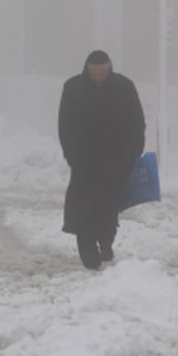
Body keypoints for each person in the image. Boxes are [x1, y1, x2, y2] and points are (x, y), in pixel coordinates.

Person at [58, 50, 145, 269]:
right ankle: (88, 253)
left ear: (109, 69)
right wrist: (71, 154)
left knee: (108, 208)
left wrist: (134, 153)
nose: (98, 78)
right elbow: (64, 124)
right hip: (84, 161)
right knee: (83, 208)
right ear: (87, 70)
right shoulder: (73, 88)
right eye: (94, 74)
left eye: (102, 74)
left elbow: (137, 122)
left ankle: (106, 242)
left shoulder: (124, 87)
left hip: (117, 161)